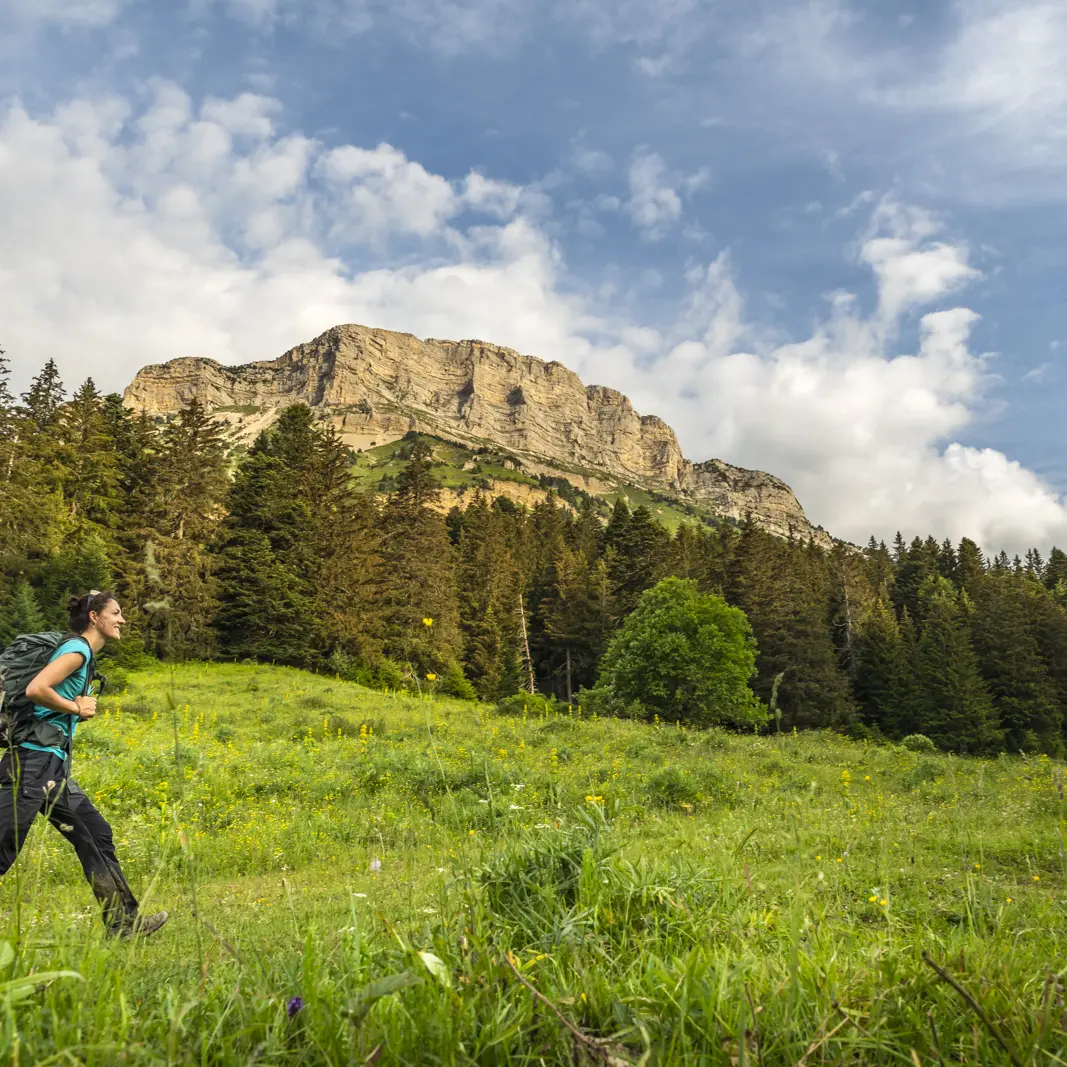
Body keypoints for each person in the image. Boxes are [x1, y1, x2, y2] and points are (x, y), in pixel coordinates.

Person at [0, 591, 168, 938]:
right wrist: (76, 708)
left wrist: (70, 711)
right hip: (31, 764)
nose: (122, 620)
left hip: (52, 767)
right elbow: (36, 689)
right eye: (116, 613)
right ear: (96, 618)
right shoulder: (76, 651)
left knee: (95, 834)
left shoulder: (84, 653)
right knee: (2, 845)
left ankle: (124, 924)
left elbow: (48, 700)